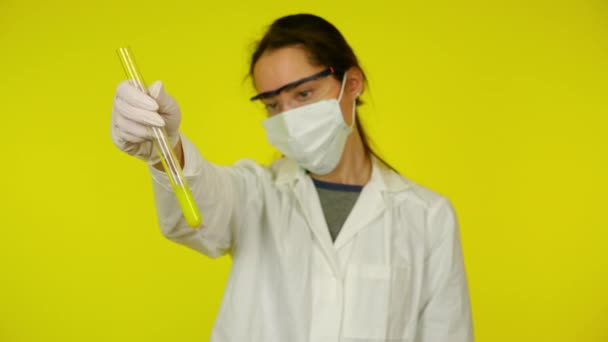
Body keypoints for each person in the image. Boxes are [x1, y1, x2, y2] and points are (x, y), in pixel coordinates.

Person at [110, 13, 473, 342]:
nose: (288, 116)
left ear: (353, 83)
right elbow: (199, 213)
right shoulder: (257, 193)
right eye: (272, 104)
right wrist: (166, 149)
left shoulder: (427, 217)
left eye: (303, 94)